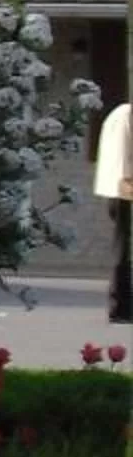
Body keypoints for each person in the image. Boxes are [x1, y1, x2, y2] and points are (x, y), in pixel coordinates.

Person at [100, 101, 133, 322]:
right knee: (124, 249)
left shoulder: (119, 113)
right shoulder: (126, 115)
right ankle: (121, 305)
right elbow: (124, 157)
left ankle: (122, 303)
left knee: (124, 247)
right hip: (125, 189)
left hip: (120, 188)